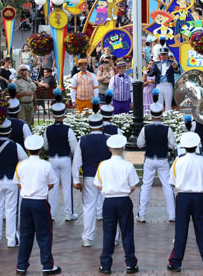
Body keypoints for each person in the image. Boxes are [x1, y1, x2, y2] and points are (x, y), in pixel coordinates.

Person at [168, 132, 203, 273]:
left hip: (183, 197)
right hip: (199, 196)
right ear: (196, 146)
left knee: (181, 230)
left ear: (183, 146)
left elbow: (172, 181)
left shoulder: (179, 160)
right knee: (202, 230)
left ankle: (175, 262)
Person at [14, 134, 62, 276]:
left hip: (26, 202)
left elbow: (17, 184)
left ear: (27, 149)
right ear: (40, 149)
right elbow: (52, 183)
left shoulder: (21, 165)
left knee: (25, 234)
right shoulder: (46, 165)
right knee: (44, 234)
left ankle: (21, 266)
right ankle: (47, 265)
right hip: (40, 201)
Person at [95, 134, 140, 274]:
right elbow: (133, 185)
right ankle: (130, 263)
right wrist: (124, 191)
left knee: (108, 233)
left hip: (109, 200)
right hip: (124, 199)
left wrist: (108, 191)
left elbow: (97, 184)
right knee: (127, 232)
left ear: (109, 148)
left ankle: (106, 264)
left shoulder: (103, 165)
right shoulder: (128, 165)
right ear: (123, 148)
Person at [0, 119, 28, 248]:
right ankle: (12, 239)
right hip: (11, 181)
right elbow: (24, 162)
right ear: (9, 133)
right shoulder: (16, 146)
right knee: (11, 209)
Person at [72, 113, 111, 246]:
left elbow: (76, 162)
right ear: (102, 127)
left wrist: (76, 180)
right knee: (110, 207)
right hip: (106, 178)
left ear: (89, 127)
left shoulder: (82, 140)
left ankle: (87, 238)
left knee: (88, 207)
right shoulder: (109, 139)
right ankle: (114, 236)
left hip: (89, 177)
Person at [136, 103, 176, 222]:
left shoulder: (145, 129)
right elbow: (172, 145)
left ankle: (142, 214)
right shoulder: (167, 129)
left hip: (149, 158)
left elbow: (139, 144)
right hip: (163, 158)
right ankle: (172, 214)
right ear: (161, 115)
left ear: (151, 115)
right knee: (167, 186)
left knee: (146, 186)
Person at [44, 97, 78, 221]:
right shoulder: (68, 130)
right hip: (65, 158)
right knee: (67, 186)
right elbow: (74, 146)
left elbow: (45, 146)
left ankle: (51, 214)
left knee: (52, 187)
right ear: (64, 115)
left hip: (52, 158)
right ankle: (68, 213)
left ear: (53, 116)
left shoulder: (48, 129)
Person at [148, 47, 180, 112]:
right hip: (159, 85)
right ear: (160, 55)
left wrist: (175, 67)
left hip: (168, 85)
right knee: (159, 103)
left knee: (168, 103)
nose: (163, 56)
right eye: (162, 54)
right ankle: (160, 118)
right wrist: (149, 70)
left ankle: (168, 119)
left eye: (164, 54)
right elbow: (152, 74)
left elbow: (177, 71)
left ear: (167, 55)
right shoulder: (156, 64)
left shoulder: (172, 62)